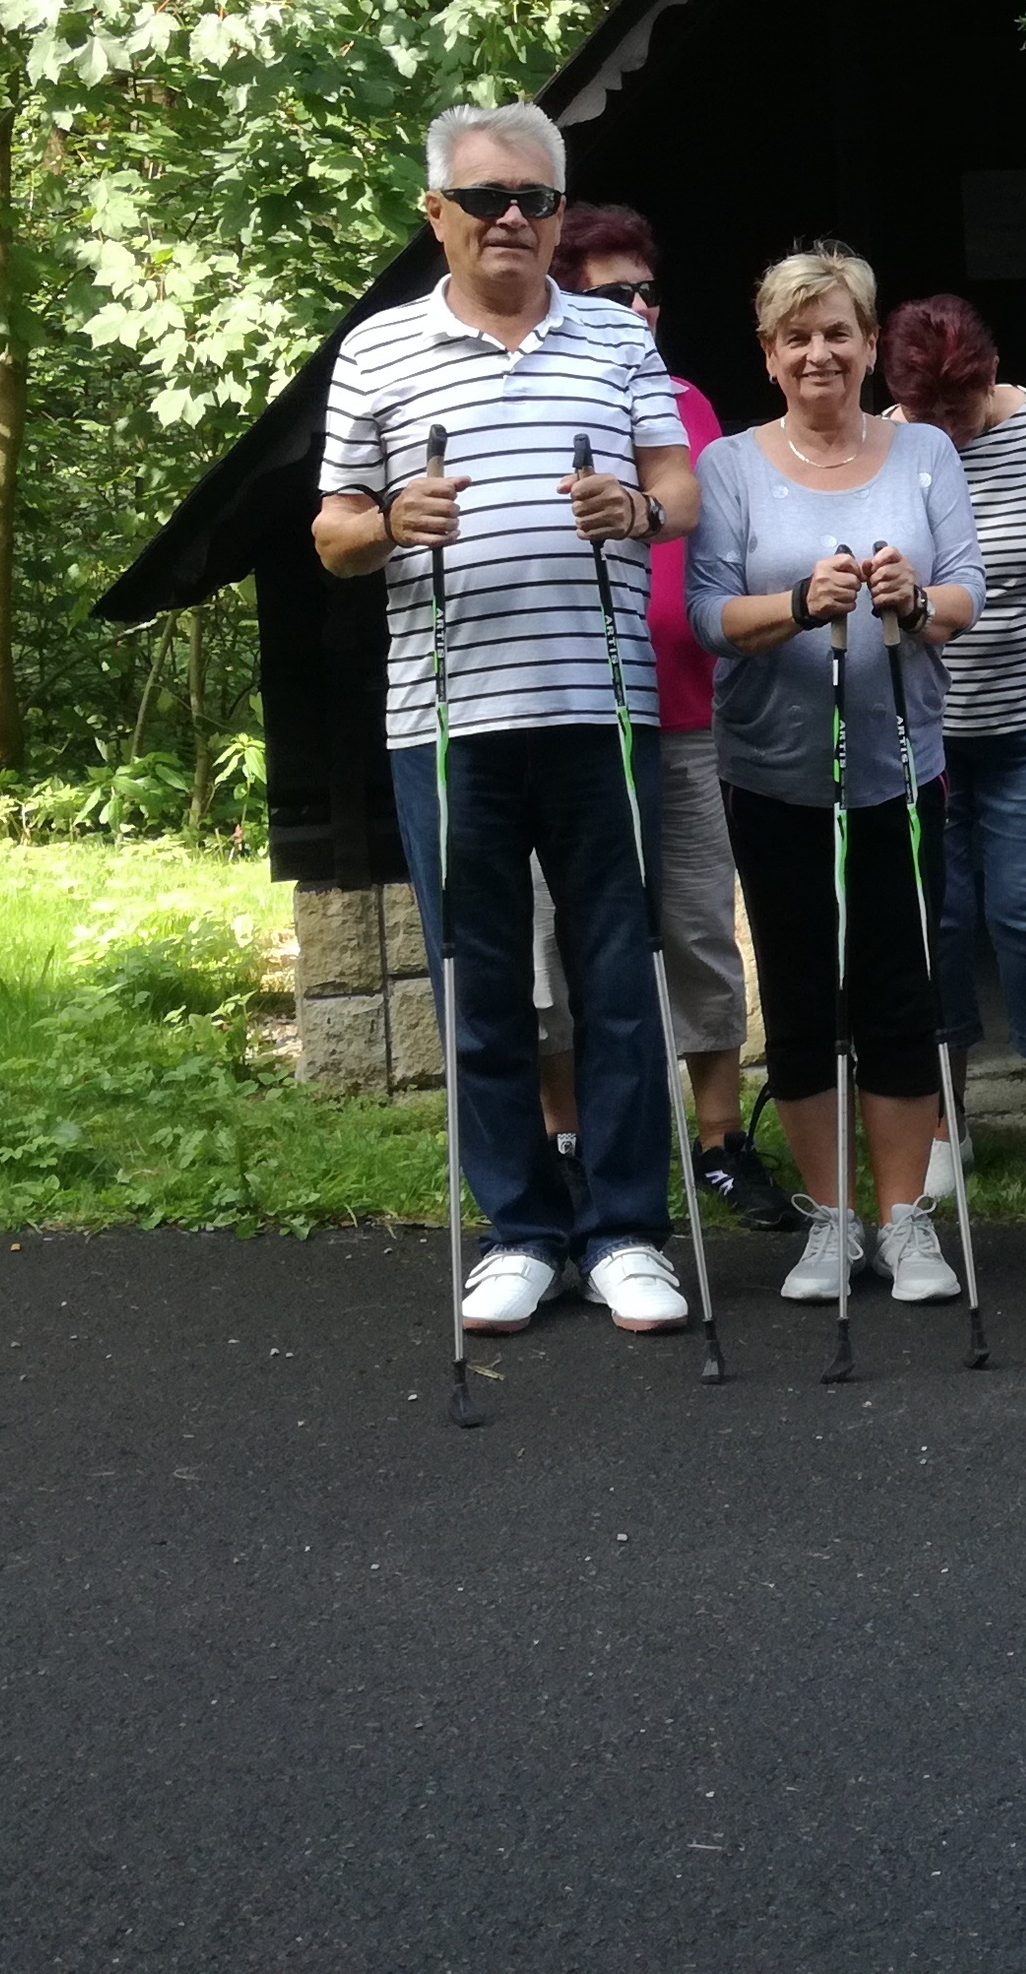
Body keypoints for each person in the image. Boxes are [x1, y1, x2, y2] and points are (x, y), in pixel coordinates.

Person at [310, 103, 701, 1338]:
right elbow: (331, 531)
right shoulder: (377, 351)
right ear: (437, 214)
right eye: (485, 200)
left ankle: (626, 1231)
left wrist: (634, 513)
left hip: (603, 702)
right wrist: (390, 524)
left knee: (617, 977)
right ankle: (521, 1232)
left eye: (534, 199)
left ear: (559, 214)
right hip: (446, 716)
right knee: (477, 984)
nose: (512, 220)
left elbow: (680, 488)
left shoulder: (615, 337)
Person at [681, 244, 988, 1310]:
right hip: (774, 774)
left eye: (838, 332)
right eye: (797, 336)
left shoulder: (924, 453)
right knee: (803, 994)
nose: (819, 352)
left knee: (902, 992)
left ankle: (904, 1220)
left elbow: (968, 592)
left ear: (868, 345)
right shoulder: (729, 465)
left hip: (901, 770)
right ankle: (831, 1217)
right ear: (769, 354)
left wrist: (914, 601)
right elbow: (706, 615)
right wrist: (800, 606)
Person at [517, 204, 788, 1231]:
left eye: (646, 291)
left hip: (681, 711)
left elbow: (713, 535)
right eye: (610, 294)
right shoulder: (535, 396)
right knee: (551, 936)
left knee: (697, 925)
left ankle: (718, 1141)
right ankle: (568, 1141)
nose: (637, 309)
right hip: (563, 712)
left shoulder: (685, 402)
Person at [882, 293, 1026, 1218]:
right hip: (920, 734)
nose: (947, 424)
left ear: (991, 370)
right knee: (934, 927)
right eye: (927, 408)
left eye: (962, 402)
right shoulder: (883, 444)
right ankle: (947, 1123)